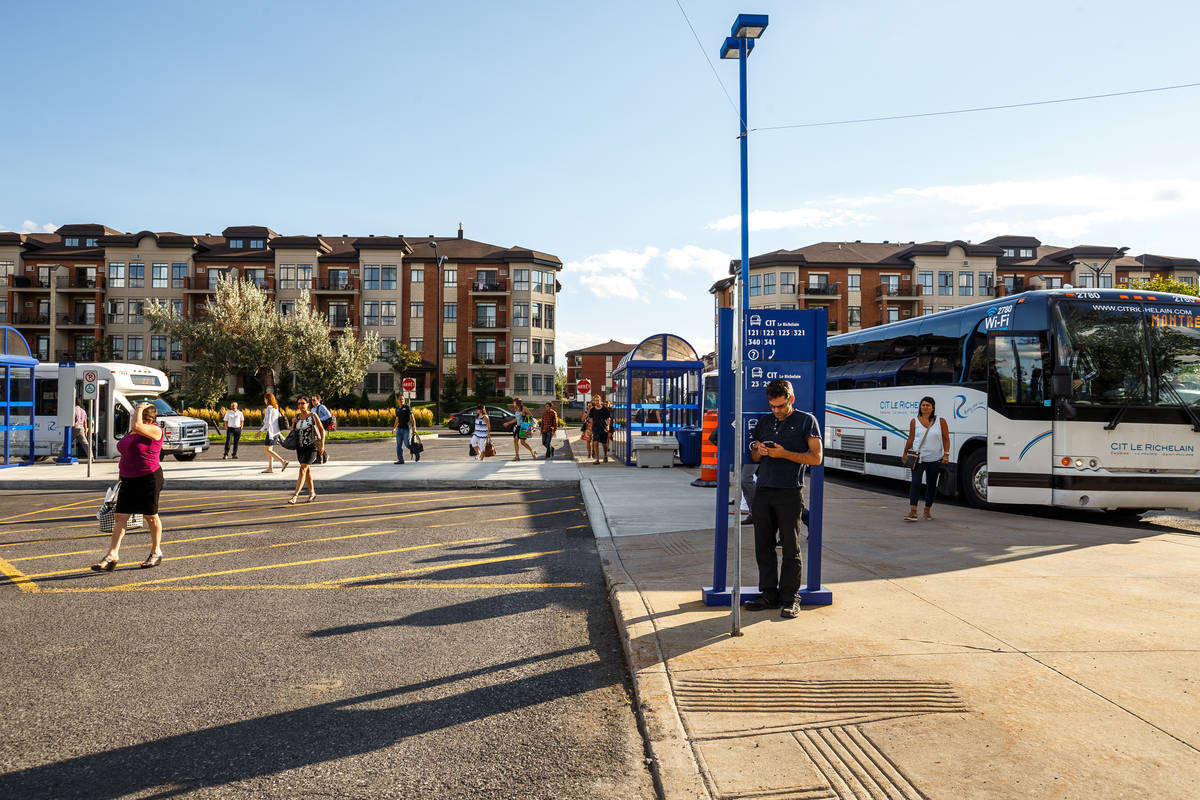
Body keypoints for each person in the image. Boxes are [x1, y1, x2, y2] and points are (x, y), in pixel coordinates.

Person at [744, 379, 823, 619]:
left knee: (790, 547)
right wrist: (759, 449)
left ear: (791, 400)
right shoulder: (765, 422)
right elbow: (754, 457)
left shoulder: (806, 421)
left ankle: (790, 597)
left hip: (789, 491)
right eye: (773, 406)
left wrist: (784, 454)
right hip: (764, 490)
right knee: (763, 546)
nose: (776, 411)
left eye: (781, 406)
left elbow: (816, 458)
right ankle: (768, 594)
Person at [90, 402, 166, 571]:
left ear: (150, 419)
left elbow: (138, 426)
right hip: (128, 478)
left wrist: (138, 408)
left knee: (150, 516)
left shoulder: (155, 430)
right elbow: (126, 451)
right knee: (120, 516)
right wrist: (121, 474)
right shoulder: (133, 431)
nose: (136, 420)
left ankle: (156, 552)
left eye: (141, 416)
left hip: (149, 477)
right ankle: (112, 555)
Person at [903, 396, 950, 521]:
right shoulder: (914, 421)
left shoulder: (941, 421)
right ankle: (913, 511)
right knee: (916, 483)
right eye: (922, 405)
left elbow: (946, 438)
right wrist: (905, 453)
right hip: (918, 458)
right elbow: (911, 439)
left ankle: (927, 510)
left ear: (933, 407)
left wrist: (946, 454)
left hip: (935, 459)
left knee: (931, 485)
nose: (924, 407)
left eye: (927, 405)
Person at [288, 397, 326, 504]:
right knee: (307, 471)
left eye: (303, 403)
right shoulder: (297, 416)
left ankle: (295, 496)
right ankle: (312, 493)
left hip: (311, 447)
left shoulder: (313, 416)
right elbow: (293, 431)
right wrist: (293, 423)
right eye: (299, 403)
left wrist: (322, 445)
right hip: (300, 448)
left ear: (308, 404)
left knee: (302, 469)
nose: (300, 405)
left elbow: (322, 430)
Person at [259, 393, 288, 474]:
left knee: (267, 449)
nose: (264, 400)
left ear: (267, 399)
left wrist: (260, 430)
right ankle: (270, 468)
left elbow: (268, 423)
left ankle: (283, 461)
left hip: (271, 432)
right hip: (276, 431)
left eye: (265, 399)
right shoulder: (276, 407)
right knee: (270, 450)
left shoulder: (269, 408)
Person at [586, 394, 612, 464]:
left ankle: (605, 455)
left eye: (598, 401)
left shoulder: (604, 409)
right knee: (595, 442)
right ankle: (597, 459)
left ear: (600, 401)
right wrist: (591, 427)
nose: (596, 402)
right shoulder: (592, 410)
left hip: (603, 428)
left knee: (604, 444)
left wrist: (608, 426)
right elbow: (591, 419)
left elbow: (608, 418)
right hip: (595, 428)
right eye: (595, 401)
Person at [310, 394, 334, 463]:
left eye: (314, 400)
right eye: (312, 400)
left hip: (321, 427)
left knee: (318, 442)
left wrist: (319, 419)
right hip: (314, 427)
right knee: (316, 442)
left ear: (318, 400)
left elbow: (328, 415)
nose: (312, 401)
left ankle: (323, 456)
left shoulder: (321, 407)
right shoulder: (313, 409)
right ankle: (320, 458)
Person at [391, 395, 414, 464]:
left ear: (404, 400)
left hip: (406, 429)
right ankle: (400, 460)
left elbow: (412, 418)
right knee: (398, 445)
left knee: (407, 444)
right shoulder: (397, 409)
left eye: (402, 399)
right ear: (397, 400)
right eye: (400, 399)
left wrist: (414, 427)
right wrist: (394, 428)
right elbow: (397, 419)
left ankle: (415, 451)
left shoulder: (407, 407)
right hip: (399, 430)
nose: (401, 401)